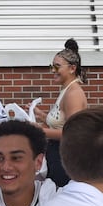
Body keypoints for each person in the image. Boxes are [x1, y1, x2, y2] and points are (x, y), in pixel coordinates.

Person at [36, 40, 88, 187]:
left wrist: (40, 130)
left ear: (72, 68)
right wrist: (41, 115)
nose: (53, 70)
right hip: (57, 156)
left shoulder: (73, 93)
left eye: (57, 67)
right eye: (52, 66)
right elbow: (62, 122)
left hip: (65, 160)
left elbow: (73, 133)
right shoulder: (66, 90)